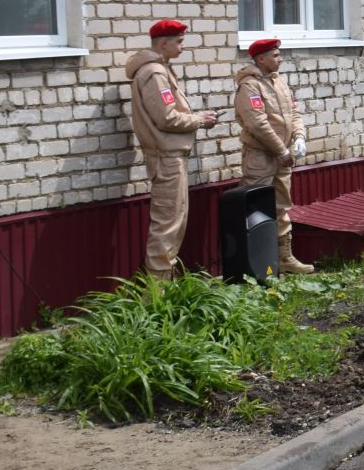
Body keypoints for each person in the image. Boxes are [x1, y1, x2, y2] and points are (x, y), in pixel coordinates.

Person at [125, 19, 220, 279]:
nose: (182, 47)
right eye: (178, 42)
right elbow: (166, 117)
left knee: (174, 223)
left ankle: (166, 284)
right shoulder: (154, 73)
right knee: (167, 225)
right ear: (163, 42)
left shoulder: (160, 69)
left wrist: (198, 118)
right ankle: (159, 294)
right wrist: (199, 119)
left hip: (171, 157)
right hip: (166, 158)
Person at [234, 37, 312, 274]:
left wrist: (299, 136)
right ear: (261, 59)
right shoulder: (250, 86)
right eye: (275, 55)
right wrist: (281, 150)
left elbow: (294, 111)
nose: (280, 59)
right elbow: (257, 124)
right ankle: (254, 264)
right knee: (256, 207)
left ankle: (284, 258)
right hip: (261, 156)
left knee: (281, 206)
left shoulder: (278, 81)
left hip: (284, 155)